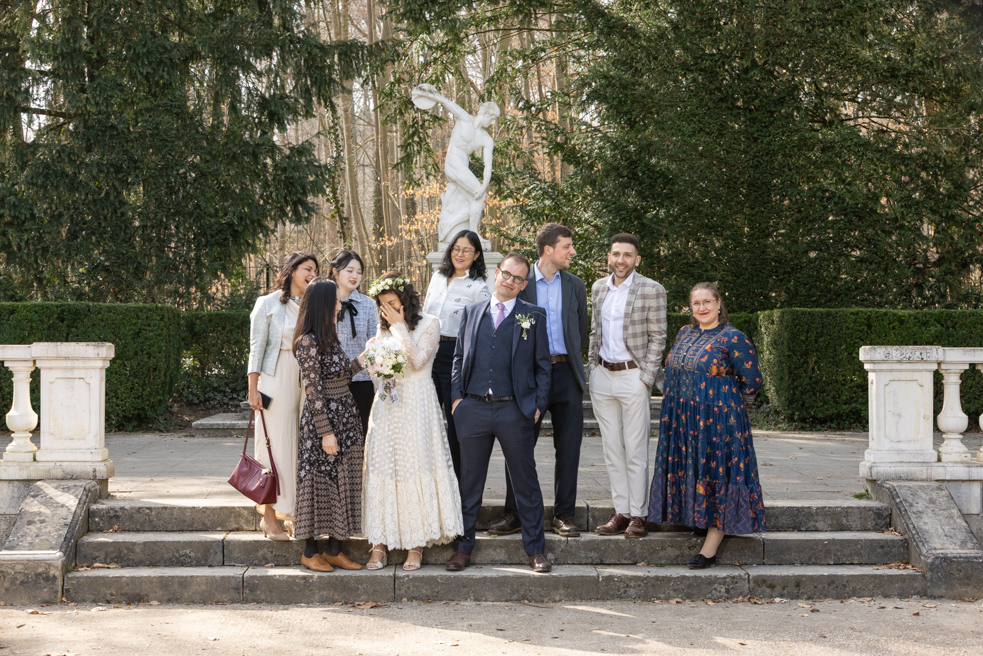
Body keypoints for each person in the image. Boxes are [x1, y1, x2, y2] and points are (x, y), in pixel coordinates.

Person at [445, 252, 553, 574]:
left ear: (523, 285)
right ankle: (462, 548)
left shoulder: (533, 316)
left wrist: (537, 405)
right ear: (496, 273)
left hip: (514, 410)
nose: (510, 281)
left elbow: (543, 366)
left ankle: (536, 550)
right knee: (469, 483)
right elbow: (458, 358)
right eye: (507, 274)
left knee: (525, 483)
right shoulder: (472, 312)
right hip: (473, 408)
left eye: (518, 278)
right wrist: (457, 400)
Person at [648, 282, 766, 568]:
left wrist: (728, 406)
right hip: (683, 421)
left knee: (718, 473)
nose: (702, 308)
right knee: (696, 469)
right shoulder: (684, 333)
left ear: (718, 303)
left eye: (707, 302)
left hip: (719, 422)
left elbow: (753, 380)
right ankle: (699, 518)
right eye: (696, 303)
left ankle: (709, 550)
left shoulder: (733, 337)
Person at [488, 224, 588, 538]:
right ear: (548, 249)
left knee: (569, 448)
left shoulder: (575, 285)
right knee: (518, 445)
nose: (572, 252)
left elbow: (581, 330)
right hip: (527, 377)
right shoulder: (521, 282)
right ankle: (514, 513)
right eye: (567, 246)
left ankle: (564, 514)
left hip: (566, 374)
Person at [362, 273, 464, 572]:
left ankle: (415, 544)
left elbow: (418, 361)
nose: (388, 310)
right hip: (387, 404)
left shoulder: (430, 323)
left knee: (415, 464)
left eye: (393, 303)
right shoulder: (382, 327)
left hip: (418, 404)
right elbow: (377, 373)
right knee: (383, 465)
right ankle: (378, 543)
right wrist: (376, 364)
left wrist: (398, 327)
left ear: (406, 299)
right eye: (383, 305)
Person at [587, 233, 667, 539]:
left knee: (635, 448)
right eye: (616, 254)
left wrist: (646, 378)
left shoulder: (651, 289)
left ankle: (638, 515)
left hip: (634, 376)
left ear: (637, 259)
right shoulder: (599, 287)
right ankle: (620, 512)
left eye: (627, 255)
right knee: (612, 449)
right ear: (609, 257)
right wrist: (592, 369)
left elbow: (658, 337)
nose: (621, 260)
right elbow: (595, 332)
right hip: (603, 377)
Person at [292, 279, 368, 573]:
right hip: (323, 424)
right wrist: (326, 432)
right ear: (322, 304)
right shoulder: (307, 342)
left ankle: (335, 550)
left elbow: (343, 375)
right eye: (335, 301)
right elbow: (313, 390)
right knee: (316, 482)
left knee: (344, 482)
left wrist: (365, 357)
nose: (340, 306)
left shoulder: (330, 337)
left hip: (346, 418)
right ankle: (309, 552)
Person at [247, 252, 318, 541]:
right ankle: (268, 517)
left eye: (315, 270)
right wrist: (253, 388)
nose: (312, 274)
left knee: (299, 447)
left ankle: (292, 514)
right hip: (275, 378)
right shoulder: (267, 303)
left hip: (304, 379)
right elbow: (256, 347)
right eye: (307, 268)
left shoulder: (311, 305)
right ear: (291, 270)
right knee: (274, 447)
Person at [423, 230, 491, 479]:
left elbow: (483, 331)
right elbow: (424, 314)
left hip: (456, 355)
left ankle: (458, 483)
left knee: (455, 419)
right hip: (428, 352)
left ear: (477, 255)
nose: (460, 254)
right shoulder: (437, 277)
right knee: (426, 415)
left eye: (467, 250)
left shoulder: (479, 288)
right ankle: (430, 478)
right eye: (456, 248)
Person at [329, 250, 378, 436]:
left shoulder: (368, 304)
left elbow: (375, 342)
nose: (355, 276)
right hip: (332, 381)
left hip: (362, 381)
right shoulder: (324, 302)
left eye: (359, 272)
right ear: (335, 271)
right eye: (349, 271)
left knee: (360, 434)